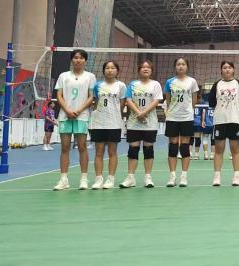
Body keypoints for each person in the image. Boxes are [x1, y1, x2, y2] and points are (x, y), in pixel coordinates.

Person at [53, 49, 96, 191]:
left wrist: (79, 110)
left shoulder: (90, 76)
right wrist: (67, 110)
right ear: (72, 60)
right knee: (65, 147)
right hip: (65, 116)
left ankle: (84, 179)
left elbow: (91, 96)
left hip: (81, 116)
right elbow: (59, 95)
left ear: (85, 60)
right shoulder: (63, 76)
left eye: (81, 58)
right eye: (76, 57)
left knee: (82, 146)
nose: (78, 60)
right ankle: (63, 180)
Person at [120, 60, 163, 189]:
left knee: (148, 149)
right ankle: (130, 178)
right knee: (133, 148)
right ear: (139, 70)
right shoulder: (132, 84)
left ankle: (148, 177)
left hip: (150, 122)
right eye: (143, 67)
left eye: (148, 67)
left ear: (151, 70)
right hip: (134, 122)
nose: (145, 69)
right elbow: (128, 100)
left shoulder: (155, 84)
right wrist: (139, 113)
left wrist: (144, 113)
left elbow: (156, 100)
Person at [89, 61, 127, 189]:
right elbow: (96, 103)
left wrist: (114, 115)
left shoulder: (121, 86)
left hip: (114, 123)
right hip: (99, 123)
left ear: (117, 71)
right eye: (107, 68)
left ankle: (110, 179)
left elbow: (122, 105)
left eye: (112, 68)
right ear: (104, 70)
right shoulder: (97, 85)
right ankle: (98, 179)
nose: (110, 70)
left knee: (112, 152)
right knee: (98, 152)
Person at [209, 61, 239, 186]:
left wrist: (234, 111)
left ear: (233, 70)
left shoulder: (238, 84)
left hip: (235, 120)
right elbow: (212, 103)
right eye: (224, 67)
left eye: (230, 67)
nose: (227, 69)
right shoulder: (217, 85)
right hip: (220, 121)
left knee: (235, 149)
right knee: (218, 149)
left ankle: (236, 176)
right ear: (221, 70)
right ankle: (217, 177)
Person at [163, 57, 200, 188]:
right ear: (175, 67)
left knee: (185, 147)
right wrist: (171, 111)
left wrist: (189, 111)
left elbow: (194, 99)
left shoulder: (192, 81)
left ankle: (184, 176)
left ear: (187, 67)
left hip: (186, 118)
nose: (181, 66)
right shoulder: (169, 82)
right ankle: (172, 176)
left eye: (183, 64)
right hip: (172, 118)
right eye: (178, 64)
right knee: (173, 147)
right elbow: (168, 99)